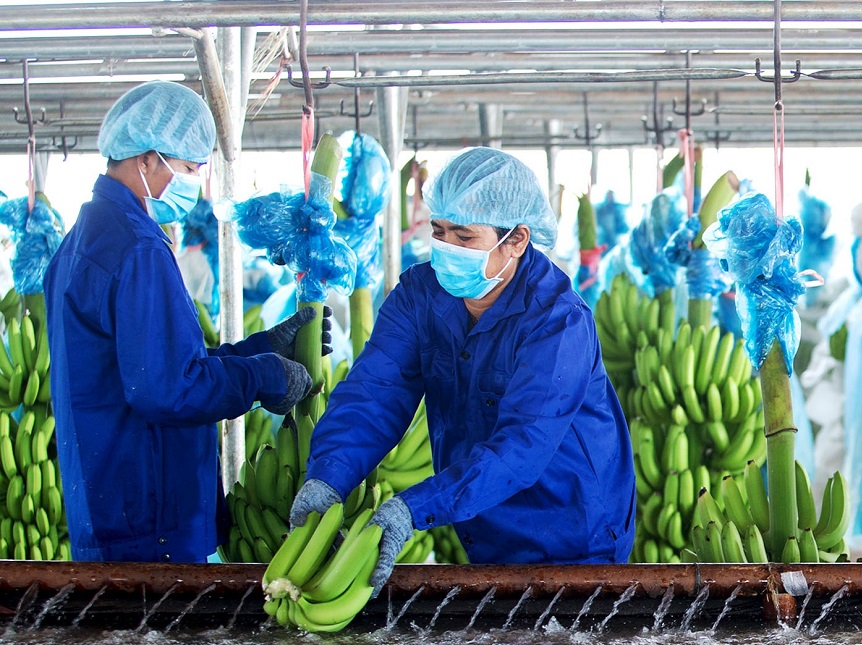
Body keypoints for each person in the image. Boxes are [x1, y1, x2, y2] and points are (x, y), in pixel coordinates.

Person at [289, 147, 636, 598]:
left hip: (574, 529)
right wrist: (327, 476)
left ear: (517, 240)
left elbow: (521, 447)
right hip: (484, 523)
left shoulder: (558, 322)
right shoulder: (419, 295)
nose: (446, 248)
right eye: (439, 231)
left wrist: (413, 509)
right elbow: (375, 393)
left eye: (464, 236)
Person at [43, 81, 321, 563]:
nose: (193, 182)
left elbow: (151, 362)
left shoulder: (83, 240)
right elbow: (164, 388)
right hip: (148, 517)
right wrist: (261, 376)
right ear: (147, 159)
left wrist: (257, 348)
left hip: (112, 505)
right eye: (189, 168)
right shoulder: (137, 248)